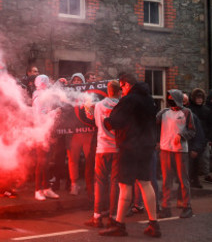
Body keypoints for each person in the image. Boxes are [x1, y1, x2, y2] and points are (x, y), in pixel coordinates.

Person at [99, 72, 161, 238]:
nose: (122, 91)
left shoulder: (129, 99)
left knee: (124, 185)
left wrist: (105, 120)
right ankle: (153, 225)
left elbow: (115, 122)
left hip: (130, 147)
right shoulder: (148, 99)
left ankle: (119, 225)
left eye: (122, 87)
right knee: (145, 183)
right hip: (146, 146)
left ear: (125, 84)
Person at [83, 80, 120, 228]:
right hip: (117, 148)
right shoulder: (121, 106)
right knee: (114, 182)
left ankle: (97, 216)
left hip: (102, 148)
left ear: (108, 90)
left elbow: (93, 120)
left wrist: (87, 107)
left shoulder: (98, 105)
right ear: (119, 92)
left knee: (100, 182)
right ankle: (112, 216)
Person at [157, 89, 195, 219]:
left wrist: (182, 135)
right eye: (169, 97)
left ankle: (187, 207)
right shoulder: (163, 113)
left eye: (172, 97)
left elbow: (192, 131)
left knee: (183, 180)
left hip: (180, 150)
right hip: (165, 149)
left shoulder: (186, 112)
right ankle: (166, 207)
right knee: (166, 180)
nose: (170, 99)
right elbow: (153, 125)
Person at [32, 75, 60, 201]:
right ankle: (38, 190)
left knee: (47, 162)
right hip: (40, 132)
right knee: (41, 162)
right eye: (45, 82)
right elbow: (39, 116)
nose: (47, 84)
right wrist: (53, 113)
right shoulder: (38, 97)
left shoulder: (45, 96)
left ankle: (46, 188)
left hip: (47, 131)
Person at [66, 73, 93, 196]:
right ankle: (74, 184)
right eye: (74, 80)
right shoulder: (67, 95)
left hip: (87, 132)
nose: (77, 82)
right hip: (74, 133)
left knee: (90, 159)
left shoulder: (89, 95)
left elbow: (92, 113)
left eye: (79, 80)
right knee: (73, 159)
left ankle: (90, 184)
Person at [188, 88, 211, 188]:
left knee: (200, 160)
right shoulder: (189, 110)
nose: (199, 100)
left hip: (203, 138)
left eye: (201, 98)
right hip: (191, 138)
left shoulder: (206, 110)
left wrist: (208, 138)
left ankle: (195, 179)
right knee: (190, 161)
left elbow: (210, 125)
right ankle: (191, 179)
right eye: (197, 98)